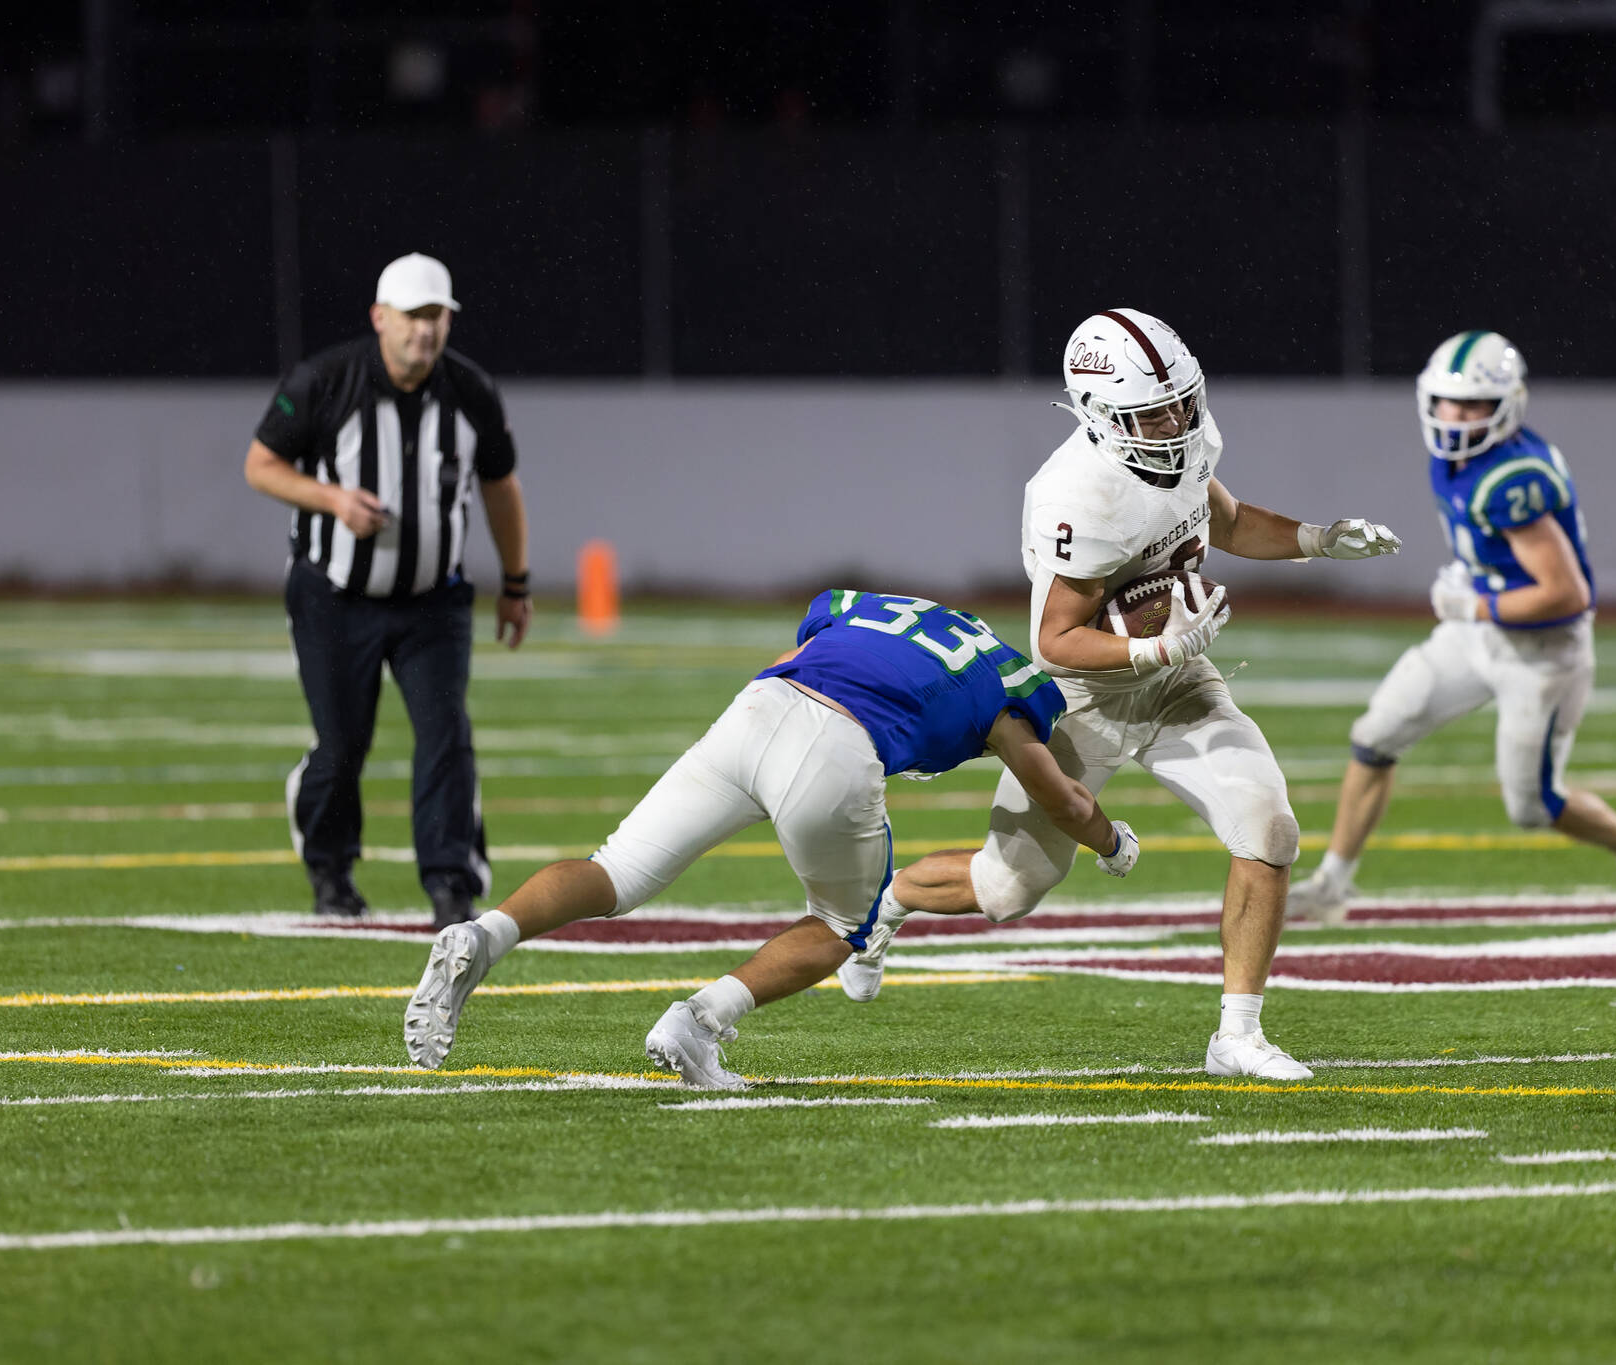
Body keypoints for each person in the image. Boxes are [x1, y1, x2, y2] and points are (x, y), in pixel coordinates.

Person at [839, 309, 1403, 1082]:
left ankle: (1236, 1035)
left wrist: (1318, 537)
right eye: (1152, 411)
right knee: (1005, 889)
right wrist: (1157, 642)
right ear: (1099, 415)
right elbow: (1054, 639)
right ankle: (888, 901)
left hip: (1176, 685)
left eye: (1180, 401)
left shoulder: (1186, 439)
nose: (1174, 422)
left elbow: (1226, 520)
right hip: (1083, 699)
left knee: (1267, 828)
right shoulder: (1078, 492)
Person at [402, 588, 1140, 1088]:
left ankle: (487, 933)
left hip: (757, 707)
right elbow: (1066, 800)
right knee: (843, 924)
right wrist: (1112, 842)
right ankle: (699, 1021)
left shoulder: (868, 605)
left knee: (616, 869)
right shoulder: (1012, 683)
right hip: (837, 747)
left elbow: (820, 633)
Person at [1287, 330, 1616, 925]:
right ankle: (1331, 885)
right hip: (1478, 635)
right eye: (1448, 401)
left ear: (1507, 406)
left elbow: (1564, 594)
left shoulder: (1512, 479)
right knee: (1376, 736)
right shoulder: (1457, 458)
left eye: (1473, 405)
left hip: (1542, 651)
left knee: (1532, 806)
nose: (1456, 416)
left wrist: (1472, 606)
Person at [244, 252, 532, 931]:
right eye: (411, 317)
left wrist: (515, 582)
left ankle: (450, 884)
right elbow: (260, 464)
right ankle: (330, 867)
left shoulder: (470, 392)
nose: (424, 332)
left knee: (445, 735)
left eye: (435, 317)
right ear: (380, 318)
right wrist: (331, 500)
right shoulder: (326, 380)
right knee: (343, 743)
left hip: (435, 601)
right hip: (333, 594)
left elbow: (500, 486)